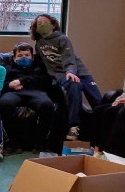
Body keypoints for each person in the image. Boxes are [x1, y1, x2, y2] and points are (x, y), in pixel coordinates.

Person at [30, 13, 101, 141]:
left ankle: (104, 129)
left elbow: (69, 58)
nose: (42, 25)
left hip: (80, 72)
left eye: (45, 22)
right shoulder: (39, 43)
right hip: (61, 74)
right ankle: (74, 126)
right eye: (39, 24)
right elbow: (40, 62)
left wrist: (71, 72)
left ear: (53, 25)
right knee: (74, 85)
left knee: (97, 100)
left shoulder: (62, 39)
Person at [0, 42, 56, 153]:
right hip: (13, 93)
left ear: (32, 57)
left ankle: (40, 144)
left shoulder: (39, 68)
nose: (24, 58)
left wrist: (22, 81)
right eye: (20, 56)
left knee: (47, 105)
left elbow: (46, 81)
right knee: (4, 104)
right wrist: (9, 85)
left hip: (36, 92)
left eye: (27, 55)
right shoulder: (7, 69)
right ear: (14, 58)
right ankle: (13, 144)